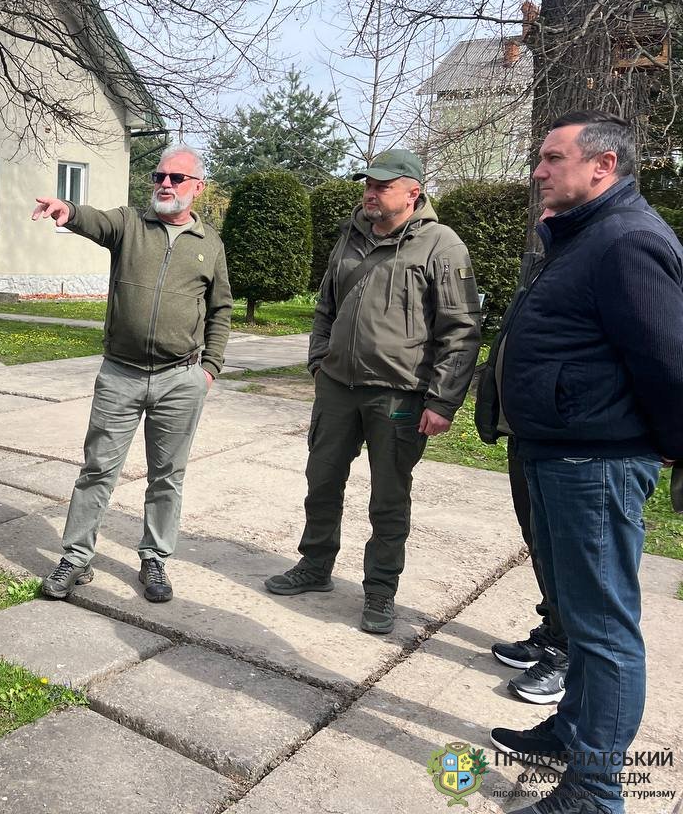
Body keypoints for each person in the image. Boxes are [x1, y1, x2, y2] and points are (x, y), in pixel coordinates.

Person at [486, 110, 683, 814]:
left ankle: (595, 791)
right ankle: (573, 731)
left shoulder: (627, 241)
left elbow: (669, 362)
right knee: (577, 614)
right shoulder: (579, 237)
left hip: (594, 464)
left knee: (602, 631)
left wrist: (670, 443)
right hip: (558, 454)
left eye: (552, 158)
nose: (538, 169)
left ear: (602, 166)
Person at [264, 148, 481, 634]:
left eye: (383, 185)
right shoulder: (351, 234)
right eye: (368, 183)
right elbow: (325, 305)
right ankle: (315, 565)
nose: (371, 192)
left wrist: (443, 400)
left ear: (413, 192)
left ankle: (380, 590)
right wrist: (319, 361)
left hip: (399, 395)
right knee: (321, 482)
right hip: (338, 388)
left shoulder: (441, 245)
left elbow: (461, 330)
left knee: (388, 498)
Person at [32, 144, 232, 603]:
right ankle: (76, 558)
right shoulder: (130, 225)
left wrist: (210, 370)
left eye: (176, 178)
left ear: (197, 188)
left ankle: (155, 559)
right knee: (98, 468)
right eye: (159, 175)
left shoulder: (211, 246)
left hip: (180, 379)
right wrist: (68, 210)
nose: (164, 183)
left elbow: (220, 311)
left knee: (168, 475)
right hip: (121, 374)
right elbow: (94, 220)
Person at [476, 207, 568, 707]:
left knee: (570, 555)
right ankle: (554, 630)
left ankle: (570, 654)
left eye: (559, 212)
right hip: (526, 433)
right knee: (541, 542)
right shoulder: (545, 267)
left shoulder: (606, 256)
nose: (544, 217)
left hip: (569, 444)